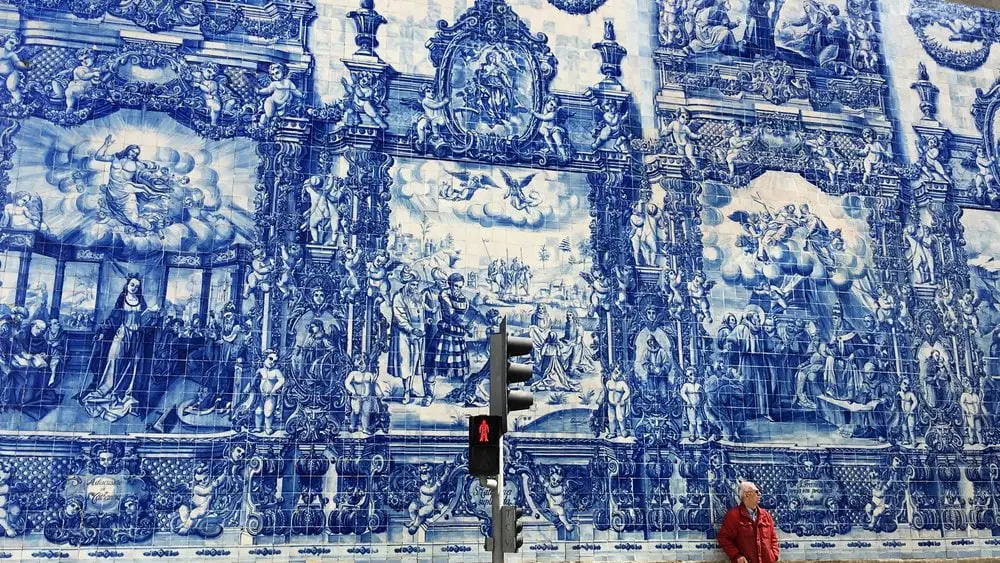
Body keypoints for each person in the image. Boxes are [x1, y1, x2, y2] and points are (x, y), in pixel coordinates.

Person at [718, 481, 779, 563]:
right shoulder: (734, 516)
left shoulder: (765, 515)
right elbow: (724, 539)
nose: (759, 494)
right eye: (756, 491)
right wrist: (737, 555)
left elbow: (773, 538)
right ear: (746, 494)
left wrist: (773, 555)